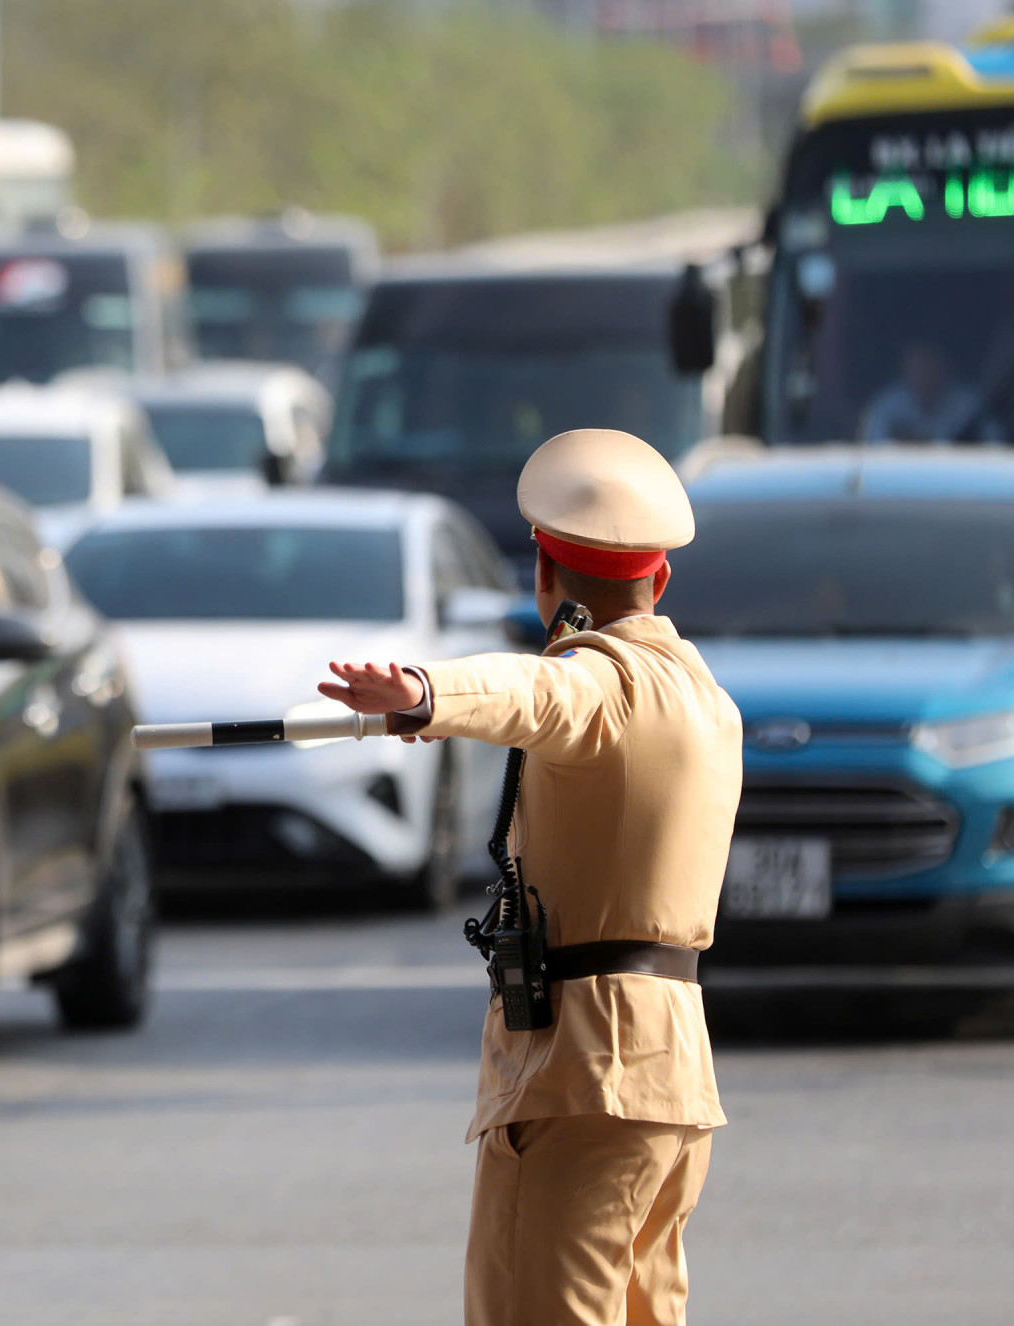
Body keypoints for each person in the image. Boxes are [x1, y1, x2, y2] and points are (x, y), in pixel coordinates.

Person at [317, 428, 742, 1326]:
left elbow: (537, 692)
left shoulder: (606, 684)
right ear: (660, 580)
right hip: (668, 1073)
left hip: (588, 1070)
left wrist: (425, 694)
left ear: (544, 578)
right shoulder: (709, 700)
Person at [860, 341, 999, 442]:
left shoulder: (970, 406)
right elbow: (871, 453)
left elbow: (995, 449)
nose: (922, 377)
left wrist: (927, 441)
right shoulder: (887, 406)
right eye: (915, 369)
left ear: (944, 368)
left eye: (927, 368)